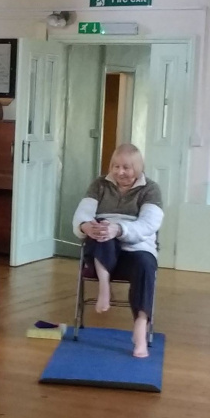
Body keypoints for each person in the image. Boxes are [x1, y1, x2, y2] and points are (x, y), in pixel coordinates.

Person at [71, 143, 164, 358]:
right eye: (115, 166)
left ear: (139, 168)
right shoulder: (99, 185)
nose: (119, 172)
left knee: (145, 264)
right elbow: (82, 214)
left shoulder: (151, 189)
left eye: (126, 167)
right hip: (102, 247)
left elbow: (149, 224)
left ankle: (140, 327)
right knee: (101, 231)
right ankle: (105, 288)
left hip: (136, 247)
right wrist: (86, 226)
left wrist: (119, 229)